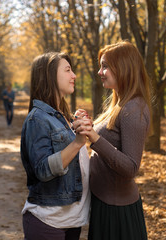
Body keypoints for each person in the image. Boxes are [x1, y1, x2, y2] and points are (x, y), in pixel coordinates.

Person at [73, 41, 151, 240]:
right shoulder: (120, 103)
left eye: (105, 66)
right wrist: (87, 124)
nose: (100, 72)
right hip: (104, 203)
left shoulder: (134, 109)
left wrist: (94, 137)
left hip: (117, 213)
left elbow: (131, 168)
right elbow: (109, 138)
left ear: (124, 67)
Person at [20, 52, 91, 240]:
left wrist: (77, 124)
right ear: (49, 76)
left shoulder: (61, 117)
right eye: (68, 70)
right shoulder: (37, 119)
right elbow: (42, 170)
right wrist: (77, 143)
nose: (74, 75)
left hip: (72, 221)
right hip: (48, 223)